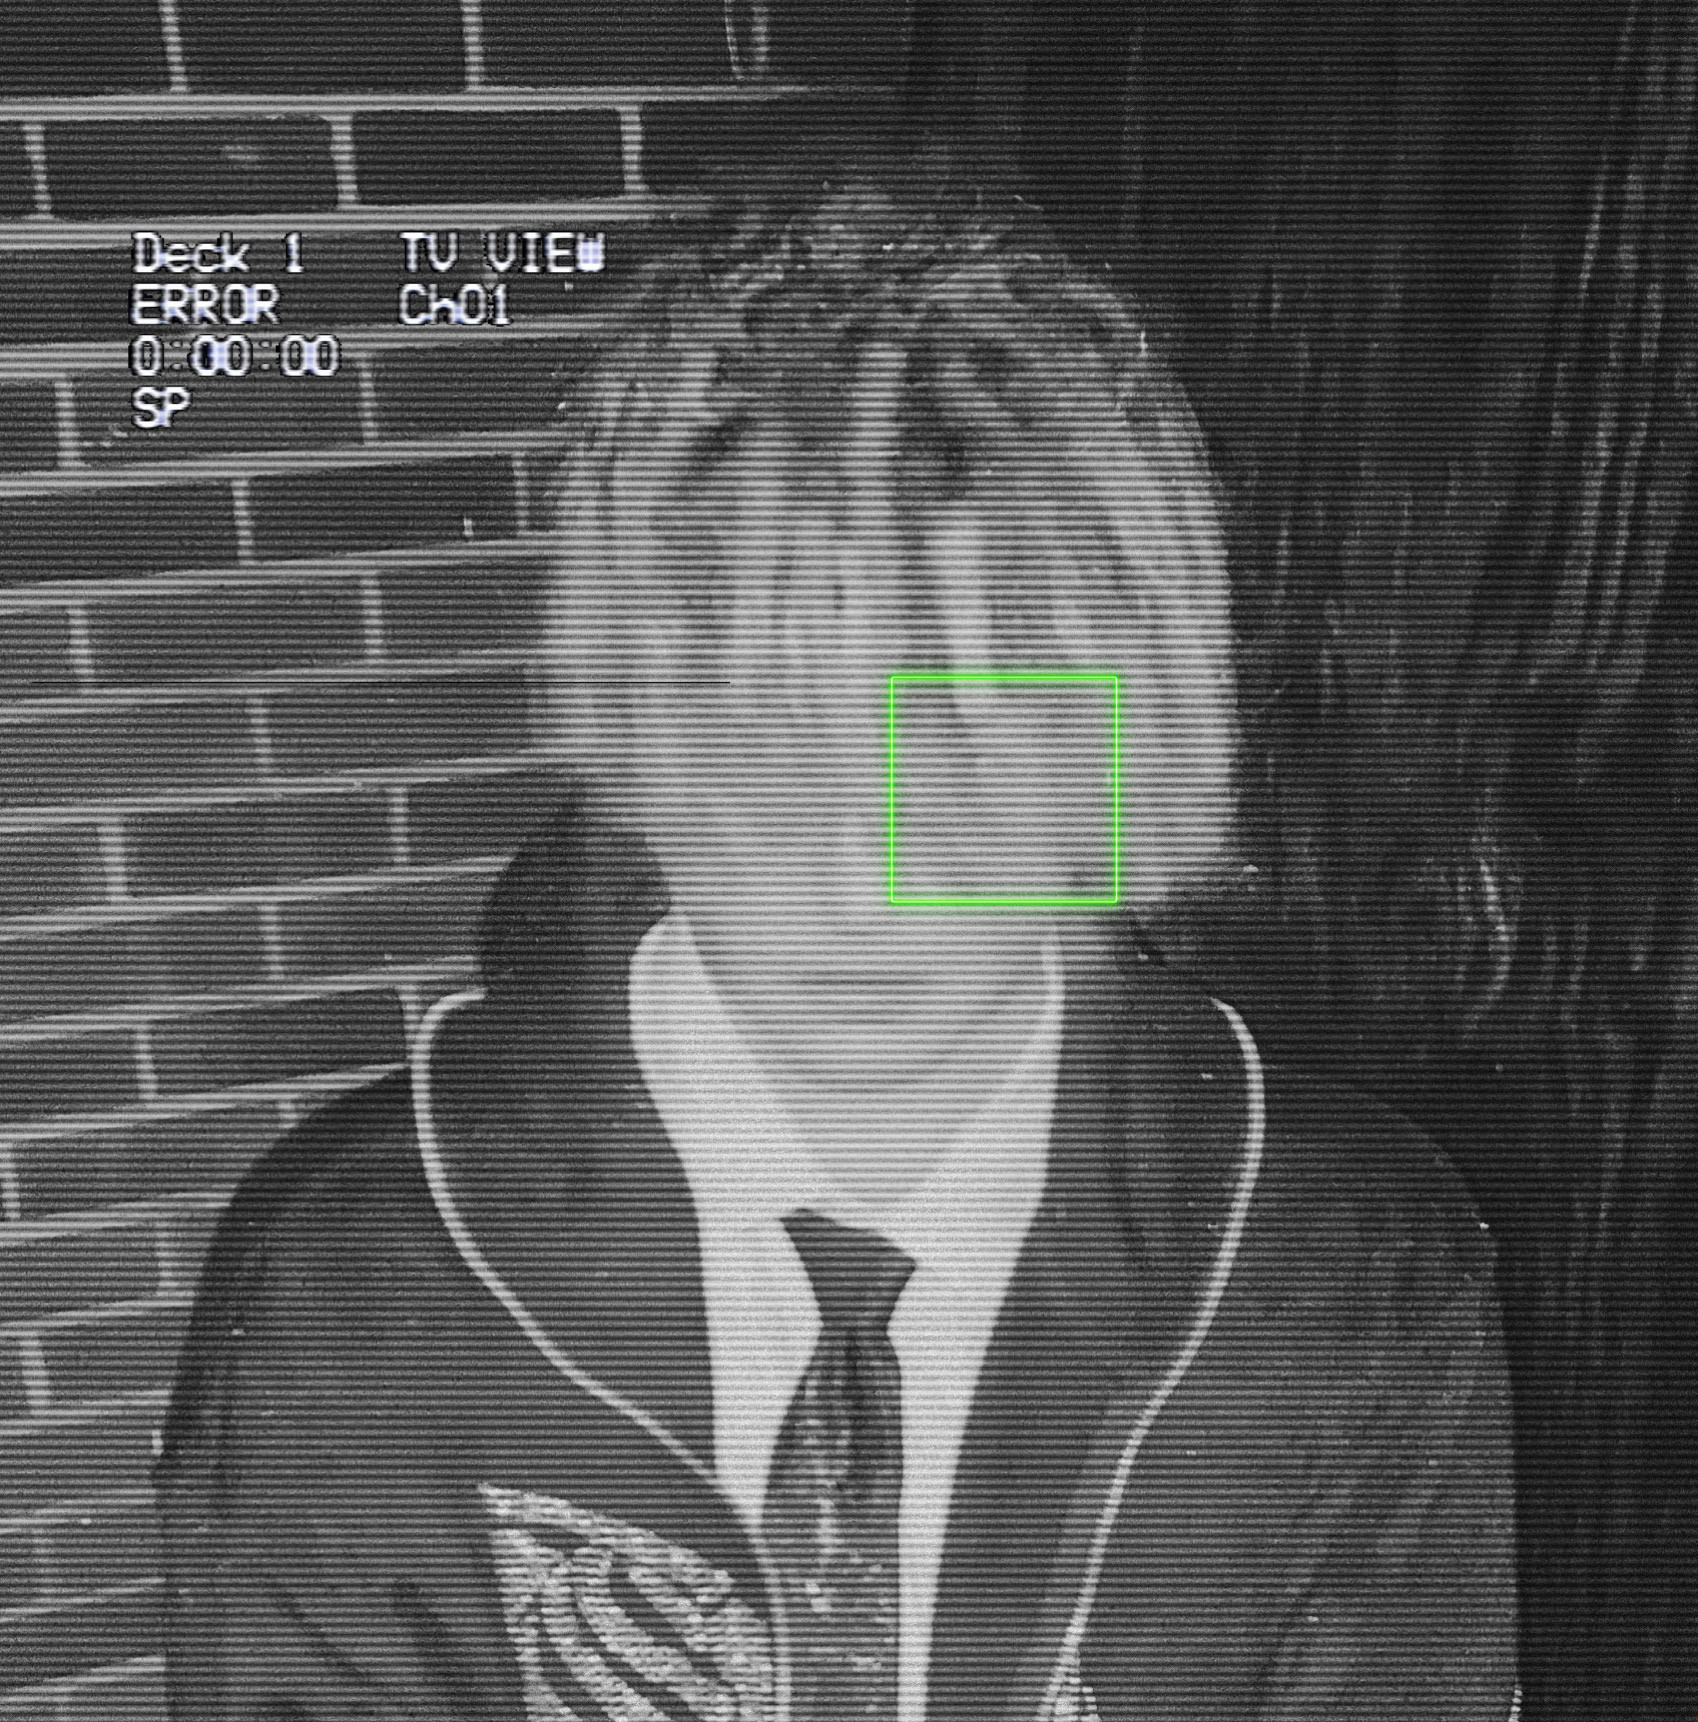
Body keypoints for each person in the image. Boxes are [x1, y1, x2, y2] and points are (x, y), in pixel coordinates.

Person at [154, 146, 1521, 1721]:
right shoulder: (349, 1275)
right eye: (765, 741)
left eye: (970, 747)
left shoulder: (1347, 1264)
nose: (864, 880)